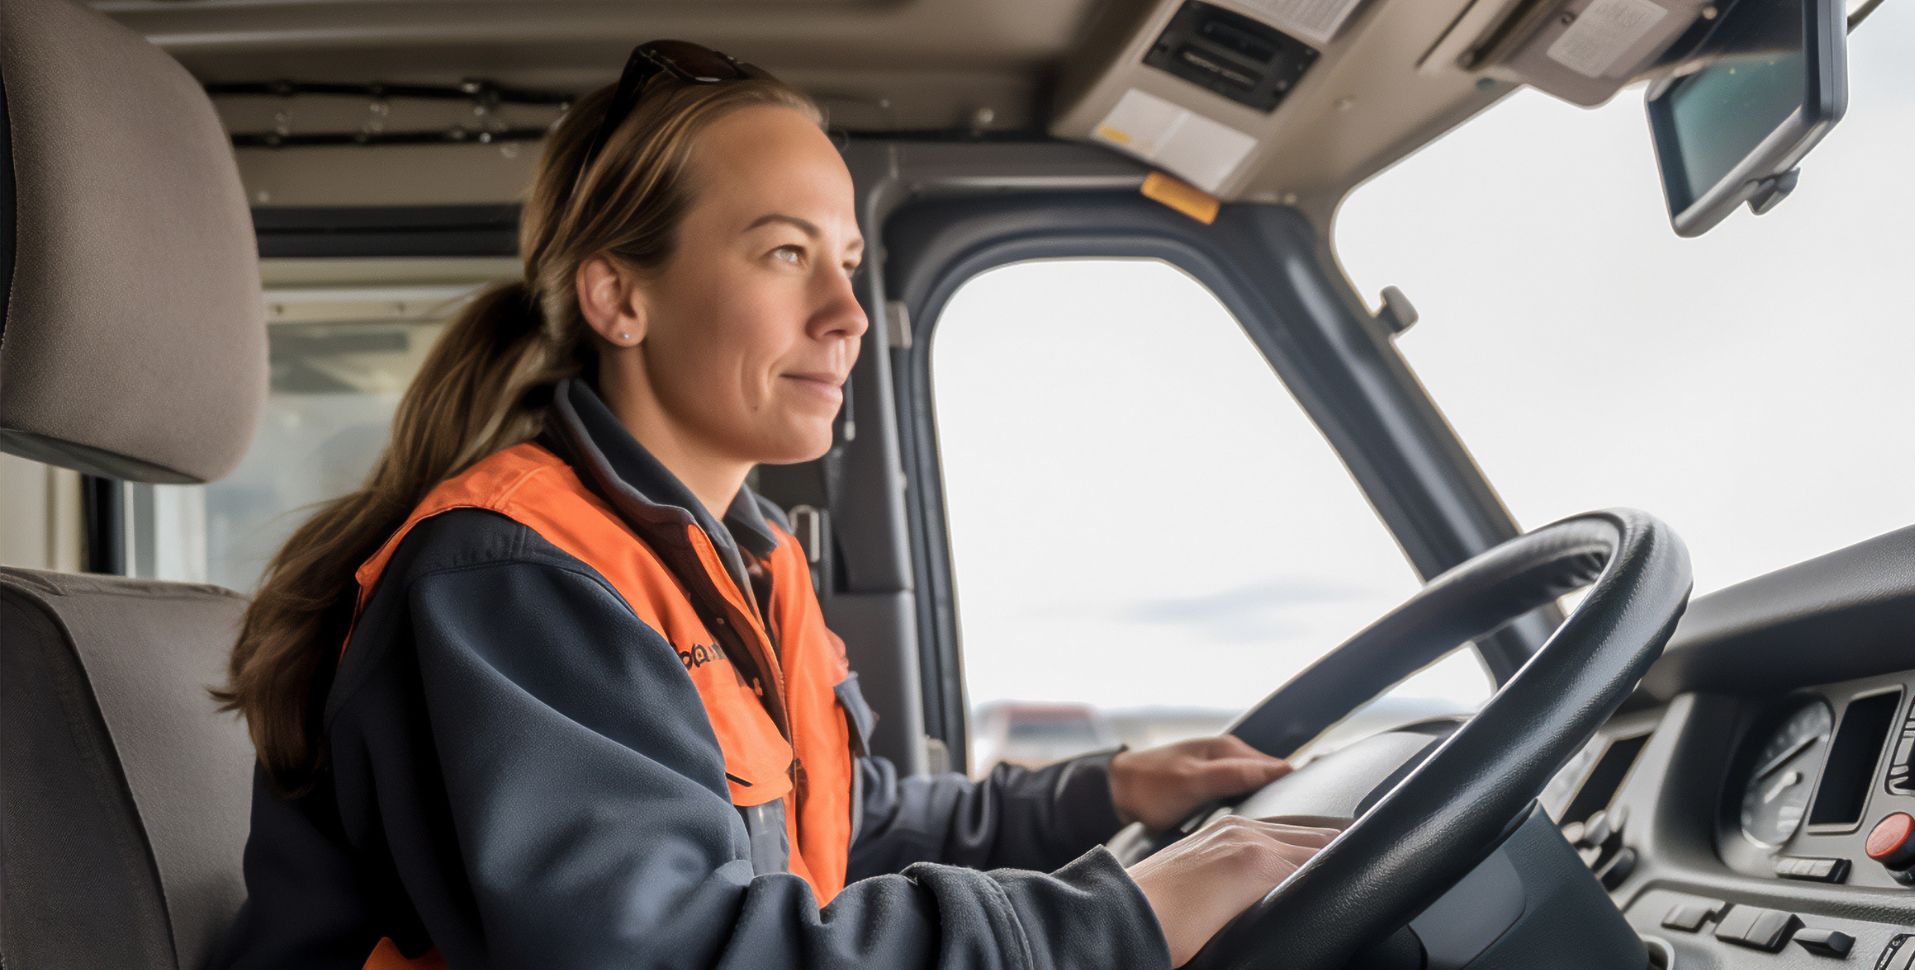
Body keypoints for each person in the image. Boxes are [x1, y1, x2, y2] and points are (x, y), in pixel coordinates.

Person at [212, 40, 1337, 970]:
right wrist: (1119, 918)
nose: (846, 310)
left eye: (846, 259)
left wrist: (1101, 794)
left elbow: (837, 820)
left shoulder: (742, 559)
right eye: (786, 253)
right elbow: (666, 953)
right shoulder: (516, 574)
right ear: (620, 295)